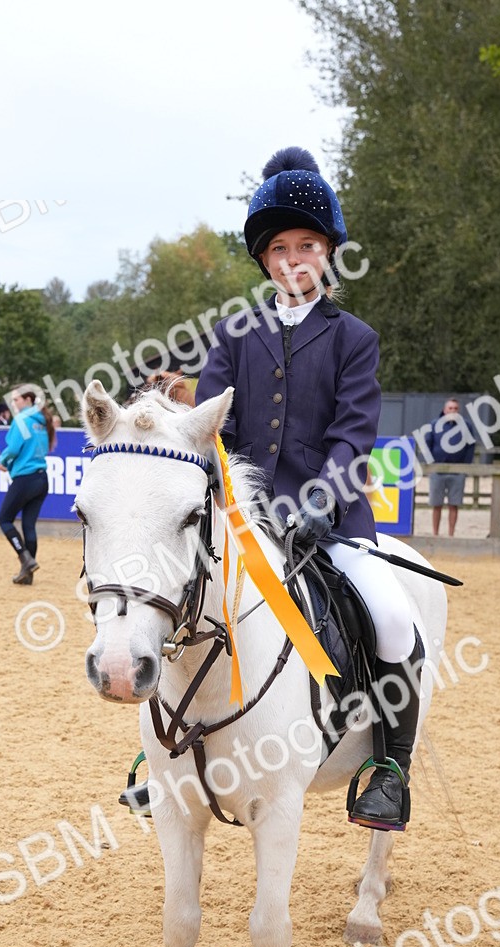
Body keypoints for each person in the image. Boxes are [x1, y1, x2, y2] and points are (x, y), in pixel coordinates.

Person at [195, 146, 424, 833]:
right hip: (243, 522)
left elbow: (354, 433)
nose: (295, 259)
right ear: (265, 260)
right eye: (282, 248)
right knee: (181, 603)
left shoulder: (355, 338)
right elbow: (213, 427)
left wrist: (318, 502)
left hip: (332, 521)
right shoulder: (233, 335)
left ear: (328, 255)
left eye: (309, 245)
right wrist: (233, 503)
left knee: (390, 617)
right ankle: (166, 756)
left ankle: (387, 770)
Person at [0, 390, 53, 584]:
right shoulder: (41, 421)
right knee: (29, 525)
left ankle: (25, 558)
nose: (14, 403)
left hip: (25, 477)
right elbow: (41, 448)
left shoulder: (21, 419)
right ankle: (28, 575)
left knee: (4, 519)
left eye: (17, 399)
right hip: (41, 477)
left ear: (28, 400)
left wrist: (4, 461)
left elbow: (13, 448)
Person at [424, 398, 475, 536]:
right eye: (450, 408)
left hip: (458, 472)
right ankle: (435, 534)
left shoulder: (466, 426)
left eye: (455, 408)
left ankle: (451, 535)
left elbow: (470, 446)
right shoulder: (434, 425)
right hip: (437, 471)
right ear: (445, 410)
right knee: (436, 505)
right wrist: (431, 464)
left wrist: (465, 467)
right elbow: (427, 443)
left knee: (454, 504)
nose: (453, 411)